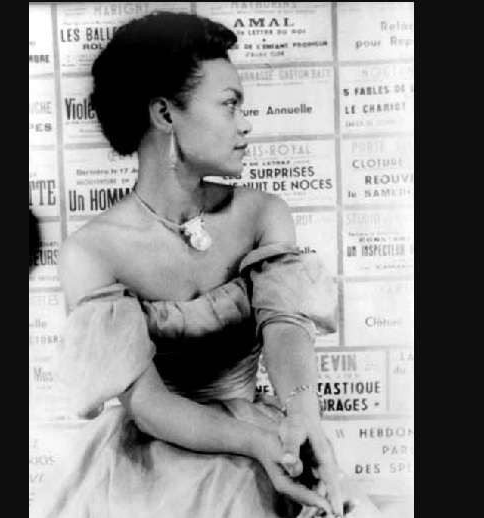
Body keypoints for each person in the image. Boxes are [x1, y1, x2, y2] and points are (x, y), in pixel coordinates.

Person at [31, 11, 382, 518]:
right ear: (165, 115)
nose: (246, 123)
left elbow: (285, 329)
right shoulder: (91, 251)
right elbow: (148, 404)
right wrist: (253, 443)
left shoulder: (263, 213)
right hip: (147, 457)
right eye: (229, 104)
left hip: (261, 430)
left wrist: (303, 417)